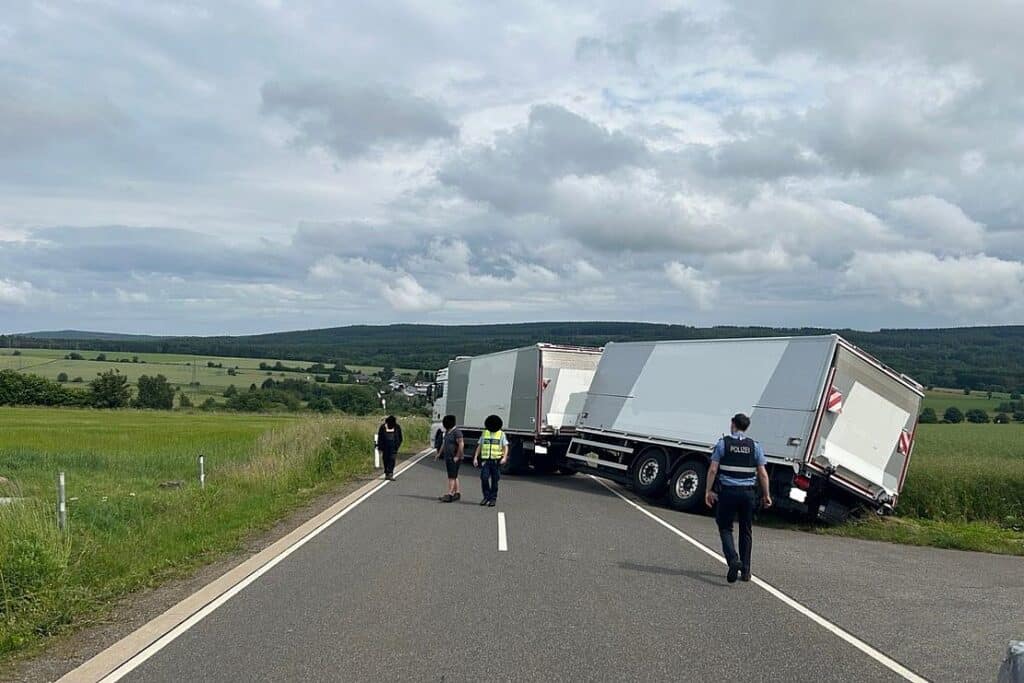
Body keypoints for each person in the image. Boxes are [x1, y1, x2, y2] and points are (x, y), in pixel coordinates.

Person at [705, 413, 771, 583]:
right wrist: (766, 495)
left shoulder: (723, 444)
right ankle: (746, 571)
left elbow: (713, 470)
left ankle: (733, 560)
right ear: (746, 427)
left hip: (728, 493)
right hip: (748, 494)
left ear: (732, 424)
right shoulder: (755, 446)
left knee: (725, 527)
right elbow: (763, 474)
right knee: (746, 530)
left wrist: (708, 490)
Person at [473, 414, 508, 507]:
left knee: (495, 480)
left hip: (496, 461)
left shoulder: (501, 434)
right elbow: (480, 446)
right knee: (484, 478)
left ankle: (493, 499)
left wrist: (504, 457)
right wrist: (475, 457)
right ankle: (486, 497)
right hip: (486, 461)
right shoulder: (485, 433)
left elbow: (505, 447)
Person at [436, 415, 464, 503]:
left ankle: (450, 494)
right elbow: (444, 443)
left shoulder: (457, 432)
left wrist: (457, 456)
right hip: (448, 457)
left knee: (451, 476)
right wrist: (439, 453)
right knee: (454, 475)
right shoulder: (448, 432)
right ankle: (457, 492)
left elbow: (461, 444)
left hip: (454, 457)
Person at [377, 415, 403, 481]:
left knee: (392, 459)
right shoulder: (383, 427)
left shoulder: (397, 427)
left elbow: (400, 437)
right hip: (385, 447)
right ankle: (386, 473)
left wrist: (397, 445)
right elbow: (380, 438)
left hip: (394, 447)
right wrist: (380, 447)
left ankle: (390, 474)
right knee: (385, 460)